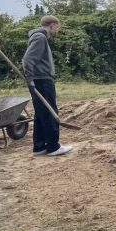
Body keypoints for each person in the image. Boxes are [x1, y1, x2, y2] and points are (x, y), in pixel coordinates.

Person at [23, 15, 72, 157]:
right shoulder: (40, 38)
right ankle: (53, 147)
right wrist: (30, 79)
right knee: (50, 113)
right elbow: (28, 59)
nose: (57, 30)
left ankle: (39, 147)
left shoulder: (39, 37)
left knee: (41, 113)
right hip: (42, 80)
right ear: (52, 25)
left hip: (40, 79)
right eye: (57, 27)